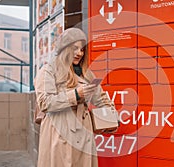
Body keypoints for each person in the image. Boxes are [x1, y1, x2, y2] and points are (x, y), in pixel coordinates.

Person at [35, 28, 117, 167]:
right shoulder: (49, 70)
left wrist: (111, 116)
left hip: (84, 131)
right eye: (75, 48)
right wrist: (76, 95)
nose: (79, 53)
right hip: (59, 131)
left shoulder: (87, 74)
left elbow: (101, 99)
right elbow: (45, 102)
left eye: (82, 49)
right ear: (64, 48)